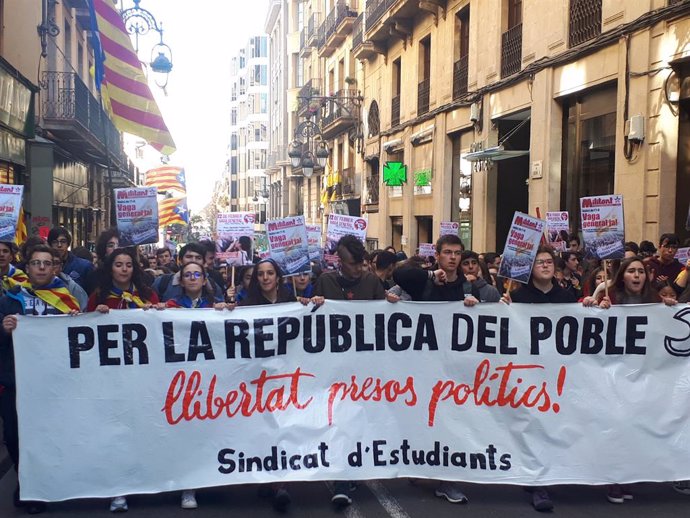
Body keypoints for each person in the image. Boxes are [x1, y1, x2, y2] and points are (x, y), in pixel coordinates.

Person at [392, 234, 476, 506]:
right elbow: (399, 274)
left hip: (454, 368)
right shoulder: (424, 281)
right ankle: (421, 462)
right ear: (438, 255)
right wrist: (429, 276)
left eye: (457, 253)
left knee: (450, 422)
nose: (453, 257)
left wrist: (481, 307)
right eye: (448, 252)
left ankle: (447, 479)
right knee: (424, 419)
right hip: (423, 365)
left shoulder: (470, 287)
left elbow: (499, 306)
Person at [583, 256, 675, 503]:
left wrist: (670, 308)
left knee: (634, 425)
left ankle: (627, 475)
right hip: (610, 374)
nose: (637, 276)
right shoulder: (608, 295)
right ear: (622, 275)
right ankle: (613, 478)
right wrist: (591, 303)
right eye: (631, 271)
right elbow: (585, 313)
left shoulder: (654, 301)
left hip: (641, 375)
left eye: (641, 272)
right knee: (616, 424)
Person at [0, 244, 81, 515]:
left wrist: (77, 321)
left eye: (48, 263)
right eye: (37, 263)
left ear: (55, 268)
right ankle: (26, 479)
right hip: (16, 381)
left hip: (53, 381)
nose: (43, 268)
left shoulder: (66, 299)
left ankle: (36, 487)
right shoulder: (10, 298)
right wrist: (3, 328)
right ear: (27, 266)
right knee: (13, 434)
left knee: (48, 434)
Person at [86, 248, 162, 512]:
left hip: (143, 376)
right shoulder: (98, 297)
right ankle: (118, 489)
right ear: (110, 269)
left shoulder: (146, 295)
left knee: (142, 429)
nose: (124, 269)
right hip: (111, 378)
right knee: (116, 432)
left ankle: (144, 479)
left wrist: (156, 311)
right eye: (118, 264)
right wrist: (95, 315)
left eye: (128, 264)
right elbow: (81, 327)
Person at [501, 245, 576, 511]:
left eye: (549, 262)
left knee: (554, 424)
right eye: (539, 262)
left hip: (559, 372)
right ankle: (537, 482)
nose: (545, 266)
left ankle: (551, 472)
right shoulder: (518, 297)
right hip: (528, 372)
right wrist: (502, 311)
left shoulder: (567, 296)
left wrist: (595, 307)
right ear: (530, 268)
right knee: (531, 423)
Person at [152, 243, 223, 302]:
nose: (193, 260)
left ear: (204, 262)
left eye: (198, 258)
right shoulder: (162, 283)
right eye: (189, 257)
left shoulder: (213, 286)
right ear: (180, 260)